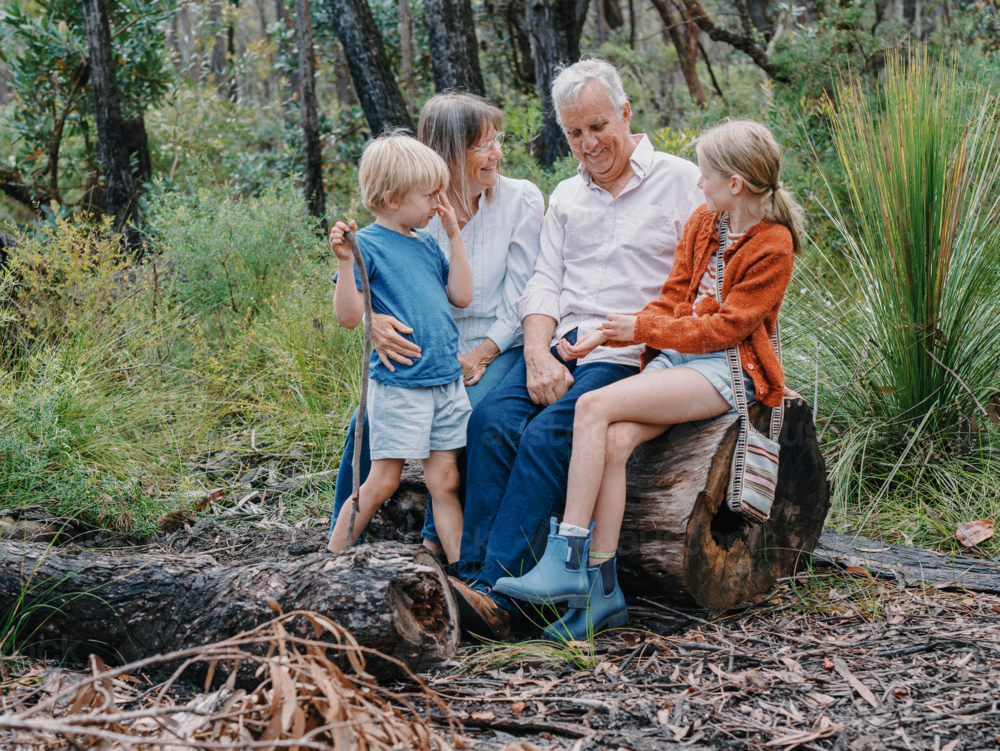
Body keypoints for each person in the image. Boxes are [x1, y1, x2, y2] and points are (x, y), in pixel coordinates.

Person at [493, 119, 804, 642]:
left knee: (594, 409)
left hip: (726, 369)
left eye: (706, 174)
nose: (698, 183)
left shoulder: (774, 244)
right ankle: (604, 590)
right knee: (614, 439)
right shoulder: (706, 220)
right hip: (677, 359)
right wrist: (607, 337)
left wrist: (641, 327)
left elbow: (729, 327)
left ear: (737, 183)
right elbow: (671, 297)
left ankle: (566, 558)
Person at [448, 59, 704, 641]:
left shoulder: (680, 181)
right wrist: (537, 354)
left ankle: (499, 598)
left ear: (625, 113)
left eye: (597, 127)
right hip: (561, 344)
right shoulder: (566, 195)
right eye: (574, 133)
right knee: (492, 420)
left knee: (546, 436)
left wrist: (632, 331)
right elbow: (543, 283)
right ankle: (468, 580)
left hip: (626, 352)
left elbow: (695, 291)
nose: (588, 144)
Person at [328, 93, 544, 555]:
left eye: (497, 141)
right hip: (421, 357)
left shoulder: (519, 200)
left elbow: (522, 295)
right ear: (448, 152)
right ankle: (336, 548)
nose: (497, 154)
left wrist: (482, 352)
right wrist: (374, 323)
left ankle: (441, 547)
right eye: (484, 145)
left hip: (492, 346)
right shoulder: (412, 210)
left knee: (469, 425)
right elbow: (367, 294)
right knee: (360, 427)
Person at [327, 134, 473, 562]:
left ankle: (467, 577)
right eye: (429, 195)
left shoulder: (426, 242)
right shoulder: (366, 246)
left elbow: (461, 295)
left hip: (445, 381)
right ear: (392, 198)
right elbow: (350, 317)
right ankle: (329, 561)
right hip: (400, 383)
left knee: (445, 480)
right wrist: (343, 260)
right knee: (383, 480)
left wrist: (453, 236)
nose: (438, 202)